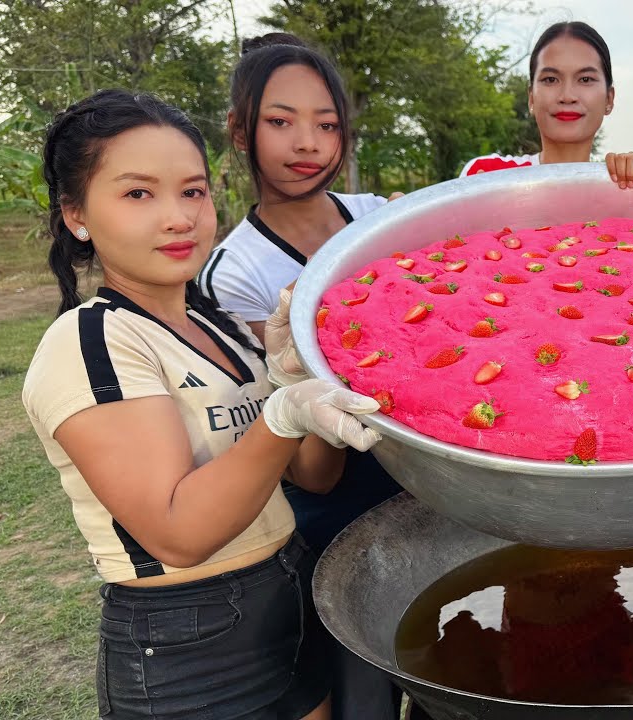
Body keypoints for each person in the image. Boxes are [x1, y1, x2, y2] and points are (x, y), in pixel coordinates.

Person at [22, 89, 383, 719]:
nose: (179, 217)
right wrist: (281, 416)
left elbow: (314, 478)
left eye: (192, 191)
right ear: (77, 215)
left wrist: (300, 374)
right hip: (189, 644)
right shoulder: (91, 343)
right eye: (138, 193)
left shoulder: (218, 329)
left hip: (286, 603)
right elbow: (179, 533)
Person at [194, 33, 404, 720]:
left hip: (419, 487)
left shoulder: (375, 219)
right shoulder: (238, 272)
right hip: (331, 512)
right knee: (362, 695)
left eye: (327, 123)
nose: (306, 141)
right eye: (280, 121)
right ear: (240, 129)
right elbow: (311, 464)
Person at [458, 21, 633, 187]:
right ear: (531, 97)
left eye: (585, 79)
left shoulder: (625, 185)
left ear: (609, 99)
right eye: (551, 79)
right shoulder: (485, 177)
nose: (567, 96)